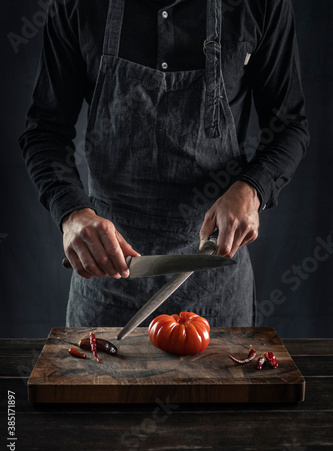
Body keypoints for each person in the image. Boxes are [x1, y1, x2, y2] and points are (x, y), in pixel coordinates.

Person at [19, 0, 309, 328]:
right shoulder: (76, 6)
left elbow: (289, 126)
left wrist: (252, 188)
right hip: (106, 278)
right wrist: (72, 214)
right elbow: (44, 131)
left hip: (214, 279)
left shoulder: (262, 5)